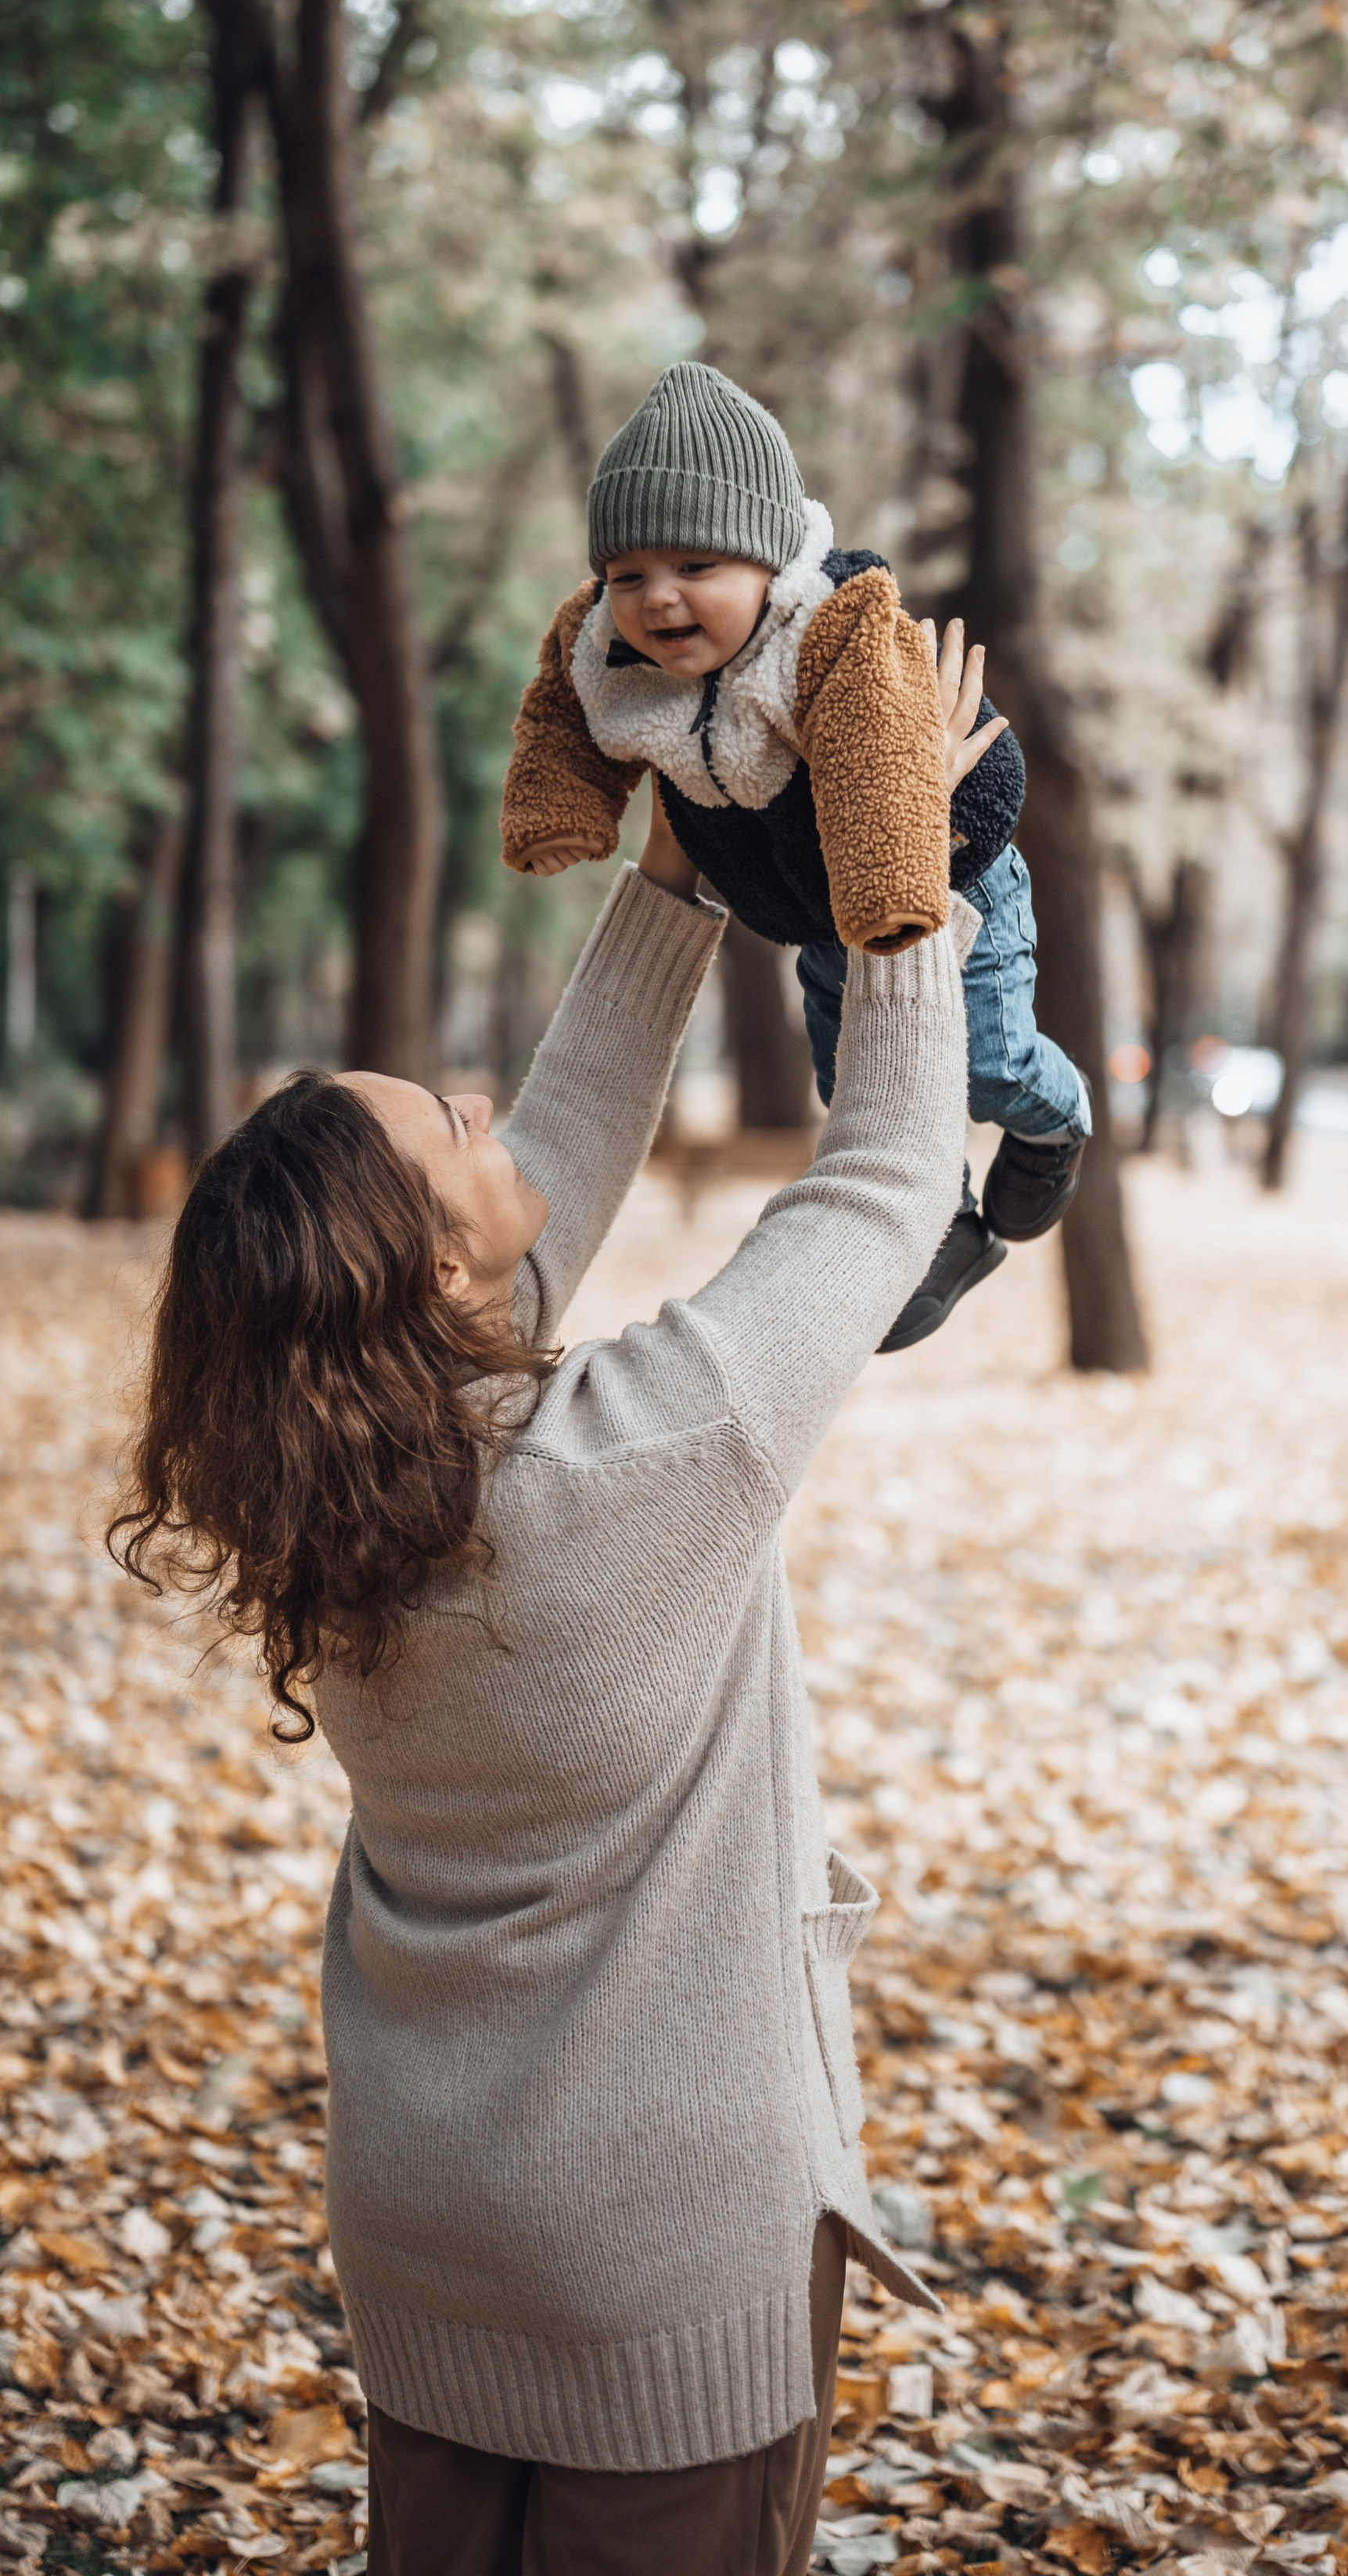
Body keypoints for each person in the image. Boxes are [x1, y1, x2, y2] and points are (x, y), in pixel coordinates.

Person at [110, 735, 985, 2576]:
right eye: (449, 1125)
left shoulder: (315, 1488)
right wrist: (901, 867)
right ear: (434, 1272)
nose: (479, 1104)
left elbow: (550, 1153)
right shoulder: (648, 1452)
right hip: (652, 2256)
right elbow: (890, 1171)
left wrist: (671, 877)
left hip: (426, 2226)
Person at [498, 357, 1090, 1351]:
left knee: (979, 1059)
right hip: (823, 906)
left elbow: (875, 751)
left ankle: (1054, 1112)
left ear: (771, 562)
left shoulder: (834, 629)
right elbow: (560, 707)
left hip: (937, 868)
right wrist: (561, 812)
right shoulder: (604, 647)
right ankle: (940, 1223)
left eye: (696, 569)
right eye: (629, 575)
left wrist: (899, 891)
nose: (658, 600)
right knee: (855, 1075)